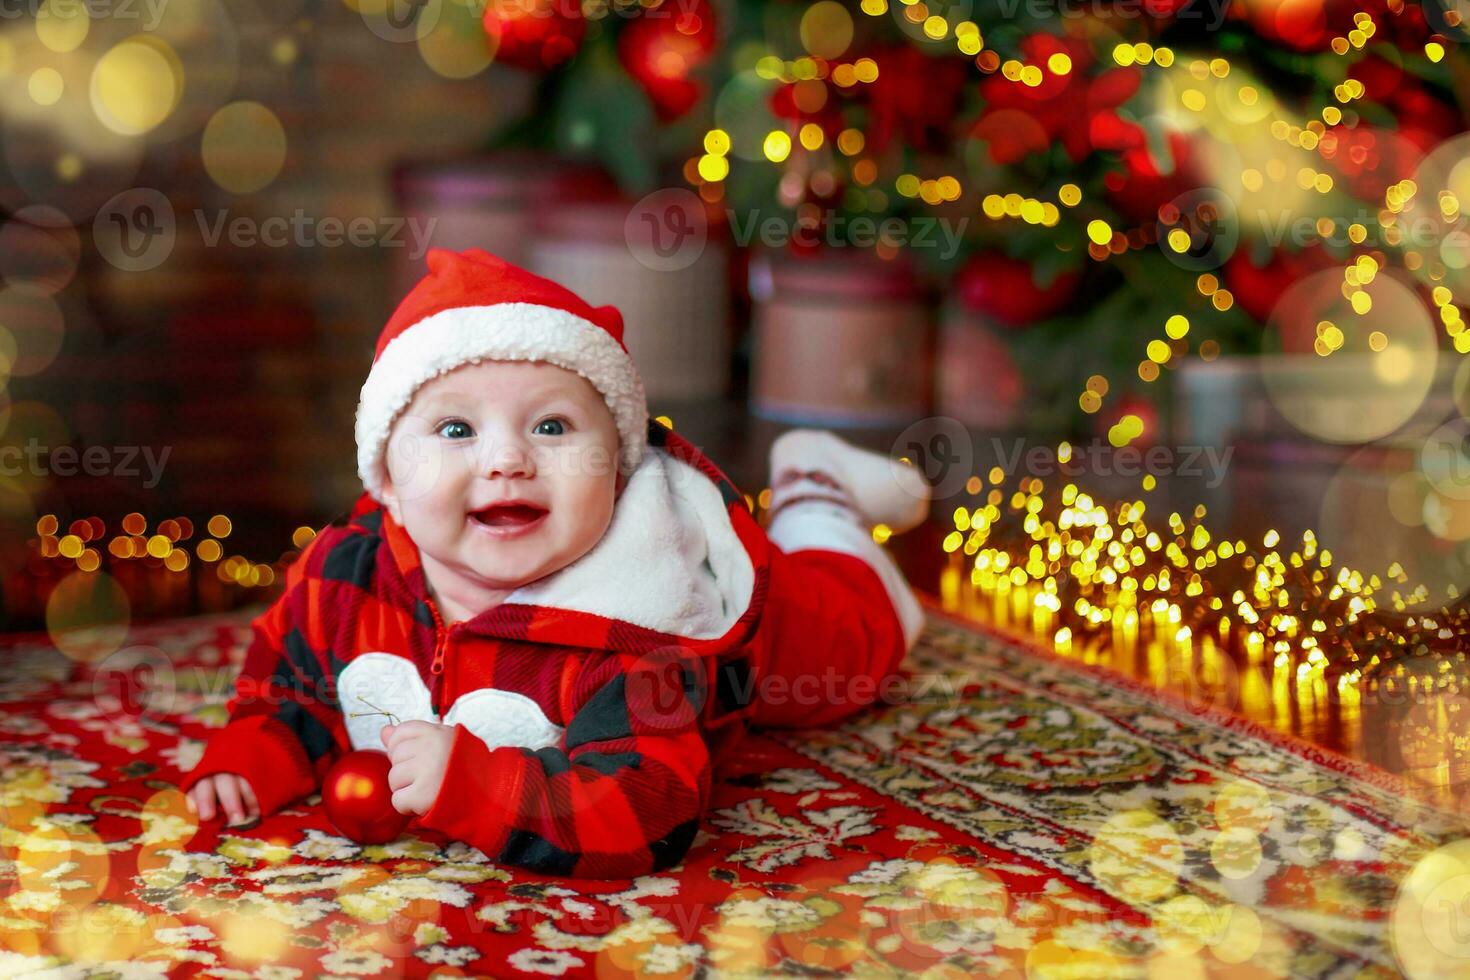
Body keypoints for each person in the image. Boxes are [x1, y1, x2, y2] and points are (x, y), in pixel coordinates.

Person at [179, 248, 930, 878]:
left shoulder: (635, 624)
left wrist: (474, 786)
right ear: (390, 490)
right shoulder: (347, 576)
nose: (507, 459)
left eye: (551, 425)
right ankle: (807, 487)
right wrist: (252, 755)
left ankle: (817, 495)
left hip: (781, 629)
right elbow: (291, 681)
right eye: (454, 428)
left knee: (854, 649)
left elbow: (649, 810)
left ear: (616, 471)